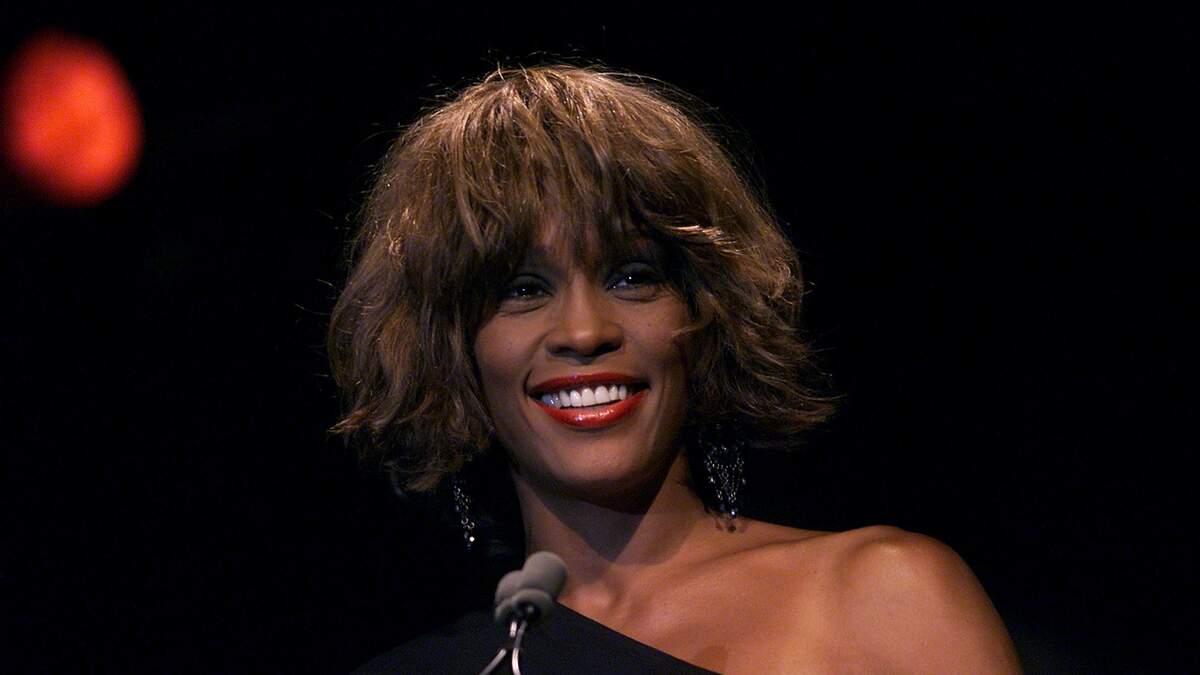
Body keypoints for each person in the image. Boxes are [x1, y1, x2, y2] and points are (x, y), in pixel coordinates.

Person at [329, 64, 1022, 674]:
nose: (585, 332)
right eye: (522, 288)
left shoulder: (884, 596)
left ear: (707, 314)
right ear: (451, 348)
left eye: (632, 276)